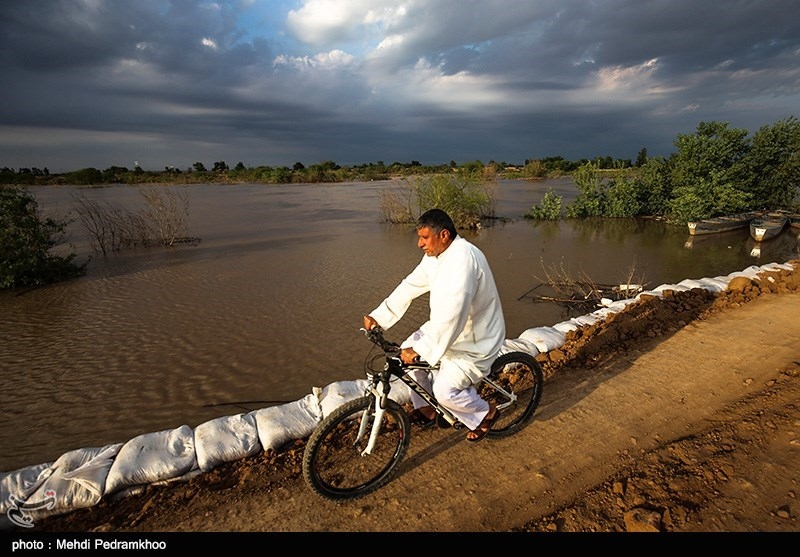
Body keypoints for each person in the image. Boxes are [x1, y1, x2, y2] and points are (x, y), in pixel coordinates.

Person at [363, 208, 506, 442]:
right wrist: (379, 316)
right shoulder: (435, 257)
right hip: (445, 330)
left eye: (424, 238)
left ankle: (486, 412)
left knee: (445, 391)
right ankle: (428, 410)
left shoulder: (463, 259)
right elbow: (410, 285)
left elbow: (454, 313)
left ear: (444, 235)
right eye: (419, 237)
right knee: (406, 352)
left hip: (476, 338)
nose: (419, 244)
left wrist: (422, 350)